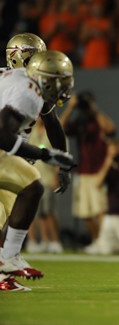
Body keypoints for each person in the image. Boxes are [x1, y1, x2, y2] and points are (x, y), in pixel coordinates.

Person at [0, 50, 75, 291]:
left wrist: (58, 158)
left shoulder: (23, 78)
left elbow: (52, 123)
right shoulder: (28, 95)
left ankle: (5, 270)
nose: (64, 86)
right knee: (30, 188)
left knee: (26, 189)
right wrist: (44, 154)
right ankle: (7, 259)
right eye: (60, 81)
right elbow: (1, 136)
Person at [60, 91, 115, 252]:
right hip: (83, 172)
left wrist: (95, 110)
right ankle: (98, 240)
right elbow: (61, 126)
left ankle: (104, 242)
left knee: (100, 210)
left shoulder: (98, 119)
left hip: (98, 172)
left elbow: (110, 129)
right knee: (84, 212)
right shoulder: (80, 121)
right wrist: (71, 107)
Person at [25, 118, 63, 254]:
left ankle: (54, 241)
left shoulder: (53, 130)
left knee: (48, 212)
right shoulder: (30, 129)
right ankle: (35, 241)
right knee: (32, 212)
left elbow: (60, 154)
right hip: (32, 176)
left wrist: (56, 176)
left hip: (47, 177)